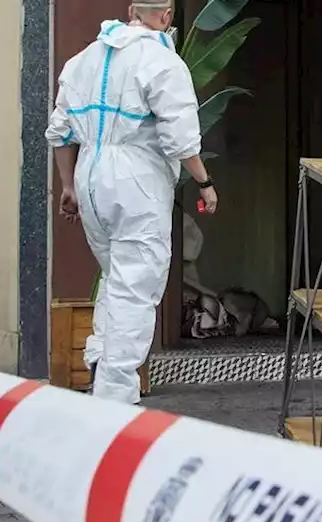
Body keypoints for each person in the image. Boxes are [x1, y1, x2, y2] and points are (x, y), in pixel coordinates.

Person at [45, 1, 217, 405]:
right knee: (136, 286)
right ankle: (115, 394)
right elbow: (181, 140)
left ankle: (99, 362)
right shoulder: (162, 62)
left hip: (89, 175)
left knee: (115, 277)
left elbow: (59, 131)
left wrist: (69, 186)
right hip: (136, 180)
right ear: (167, 16)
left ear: (130, 10)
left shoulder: (82, 60)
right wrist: (205, 183)